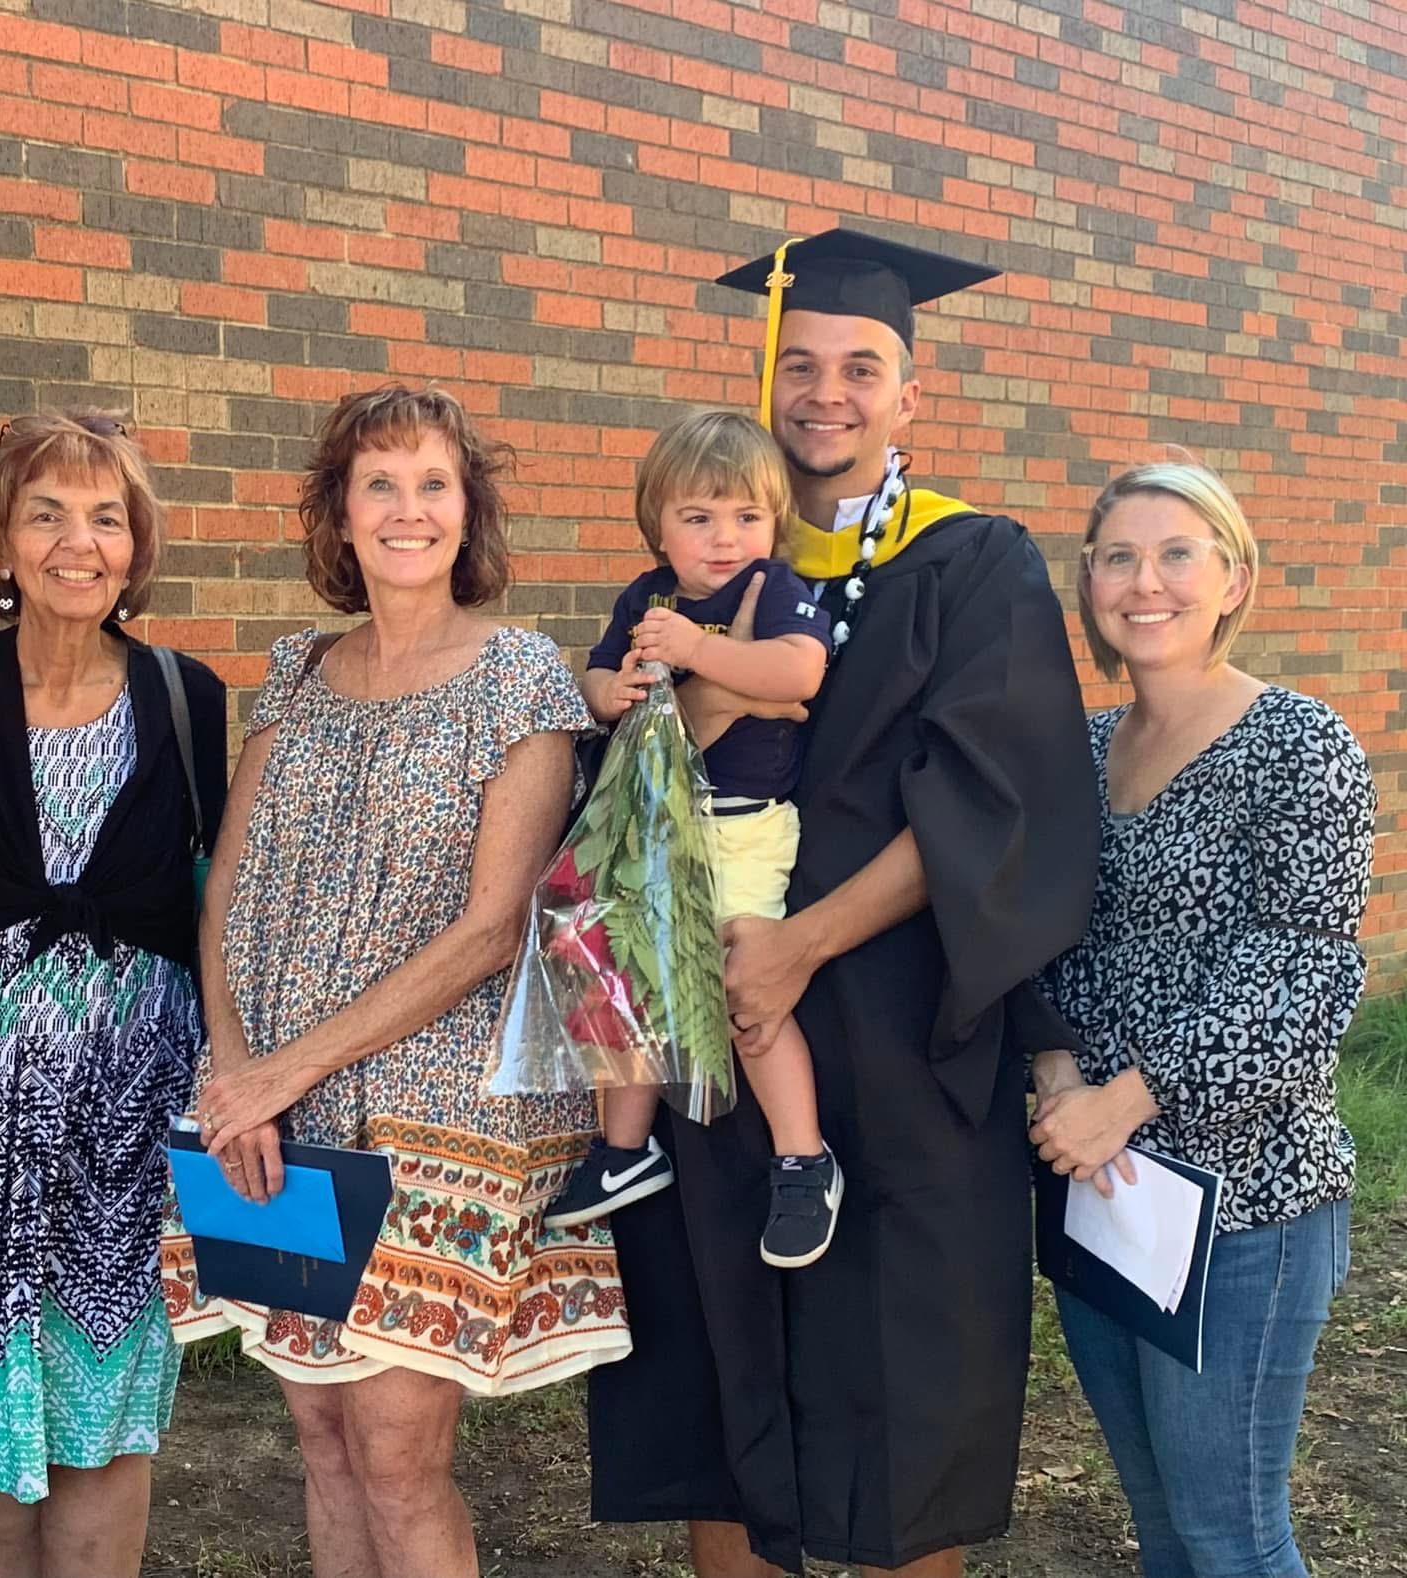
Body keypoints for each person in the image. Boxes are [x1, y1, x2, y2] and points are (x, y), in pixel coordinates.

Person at [588, 229, 1103, 1577]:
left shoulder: (976, 560)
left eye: (861, 366)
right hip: (716, 1027)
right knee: (719, 1367)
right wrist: (699, 664)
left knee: (910, 1404)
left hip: (907, 1038)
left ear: (910, 393)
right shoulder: (710, 570)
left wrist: (801, 944)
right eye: (800, 364)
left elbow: (1001, 800)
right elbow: (627, 776)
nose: (827, 391)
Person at [162, 384, 630, 1577]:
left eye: (432, 484)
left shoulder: (518, 676)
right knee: (318, 1433)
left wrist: (282, 1069)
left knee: (394, 1452)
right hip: (273, 1104)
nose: (406, 508)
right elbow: (224, 888)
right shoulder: (297, 670)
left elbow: (489, 929)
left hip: (438, 1101)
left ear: (466, 514)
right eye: (379, 483)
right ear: (339, 511)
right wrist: (233, 1073)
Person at [0, 410, 226, 1578]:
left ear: (136, 544)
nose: (79, 543)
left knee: (108, 1409)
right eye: (47, 514)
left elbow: (213, 897)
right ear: (0, 542)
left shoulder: (188, 694)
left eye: (106, 518)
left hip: (127, 1127)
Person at [1032, 462, 1372, 1578]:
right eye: (1117, 557)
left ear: (1231, 578)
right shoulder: (1078, 751)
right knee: (1162, 1524)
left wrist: (1123, 1101)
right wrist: (1053, 1082)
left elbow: (1303, 974)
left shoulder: (1297, 744)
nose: (1145, 582)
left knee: (1230, 1536)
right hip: (1103, 1195)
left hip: (1243, 1211)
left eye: (1176, 552)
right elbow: (1036, 937)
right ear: (1088, 585)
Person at [545, 410, 840, 1273]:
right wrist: (615, 689)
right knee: (629, 977)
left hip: (745, 826)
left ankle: (803, 1158)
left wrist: (700, 652)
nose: (725, 538)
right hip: (658, 817)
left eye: (746, 517)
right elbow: (596, 676)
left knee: (750, 983)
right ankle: (626, 1150)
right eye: (699, 518)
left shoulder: (775, 589)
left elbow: (798, 674)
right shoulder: (645, 597)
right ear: (658, 526)